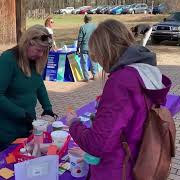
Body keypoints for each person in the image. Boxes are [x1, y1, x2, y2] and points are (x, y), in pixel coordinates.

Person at [67, 19, 171, 180]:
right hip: (136, 161)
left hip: (116, 169)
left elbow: (96, 144)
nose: (100, 64)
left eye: (98, 57)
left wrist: (74, 123)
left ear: (106, 51)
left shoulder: (121, 81)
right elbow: (131, 119)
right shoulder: (144, 71)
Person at [0, 25, 58, 152]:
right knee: (11, 160)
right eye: (38, 50)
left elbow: (38, 84)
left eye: (44, 51)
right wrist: (22, 114)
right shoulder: (8, 60)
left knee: (28, 156)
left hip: (26, 122)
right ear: (27, 43)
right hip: (5, 124)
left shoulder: (34, 60)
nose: (40, 55)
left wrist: (47, 108)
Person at [76, 15, 99, 82]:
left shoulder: (82, 27)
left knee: (84, 62)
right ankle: (95, 75)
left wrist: (77, 48)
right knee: (94, 61)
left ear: (85, 20)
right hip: (93, 47)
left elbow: (80, 39)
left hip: (84, 47)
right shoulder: (95, 26)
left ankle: (86, 78)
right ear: (91, 19)